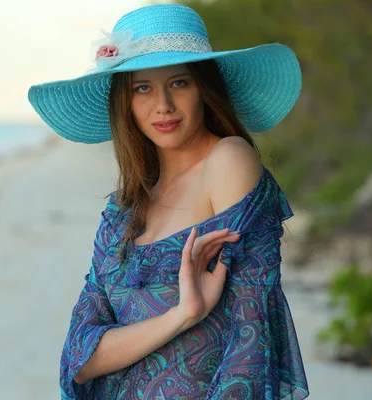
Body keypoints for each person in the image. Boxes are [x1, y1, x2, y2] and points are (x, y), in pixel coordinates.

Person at [28, 4, 309, 399]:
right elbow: (79, 360)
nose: (163, 105)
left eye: (179, 83)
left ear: (204, 89)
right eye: (143, 87)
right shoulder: (122, 212)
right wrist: (182, 315)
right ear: (125, 102)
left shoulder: (227, 161)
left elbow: (253, 331)